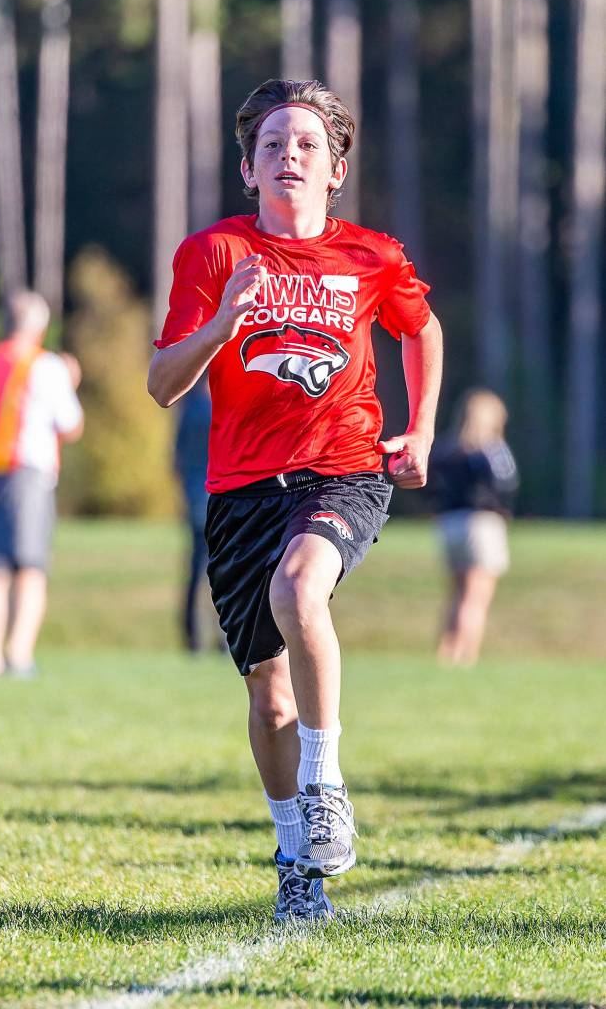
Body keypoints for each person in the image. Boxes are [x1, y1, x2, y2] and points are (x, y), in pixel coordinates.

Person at [148, 79, 443, 921]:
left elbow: (419, 328)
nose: (291, 156)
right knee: (267, 695)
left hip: (342, 469)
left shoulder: (372, 257)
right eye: (273, 144)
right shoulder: (211, 255)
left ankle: (326, 783)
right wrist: (218, 329)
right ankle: (295, 864)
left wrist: (419, 430)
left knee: (298, 589)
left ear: (336, 168)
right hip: (241, 488)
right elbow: (162, 385)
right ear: (249, 168)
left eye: (308, 143)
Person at [0, 290, 84, 677]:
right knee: (29, 568)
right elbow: (70, 425)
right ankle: (18, 654)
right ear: (38, 326)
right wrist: (72, 382)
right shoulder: (44, 366)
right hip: (24, 473)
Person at [428, 389, 519, 667]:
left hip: (449, 523)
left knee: (456, 593)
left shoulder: (446, 447)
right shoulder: (491, 448)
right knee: (476, 595)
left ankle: (446, 651)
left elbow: (429, 485)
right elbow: (507, 482)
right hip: (480, 524)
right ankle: (467, 655)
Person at [174, 374, 212, 651]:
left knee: (195, 570)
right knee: (222, 571)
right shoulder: (213, 409)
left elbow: (176, 459)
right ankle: (224, 639)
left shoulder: (188, 408)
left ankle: (192, 637)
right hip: (216, 497)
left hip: (194, 496)